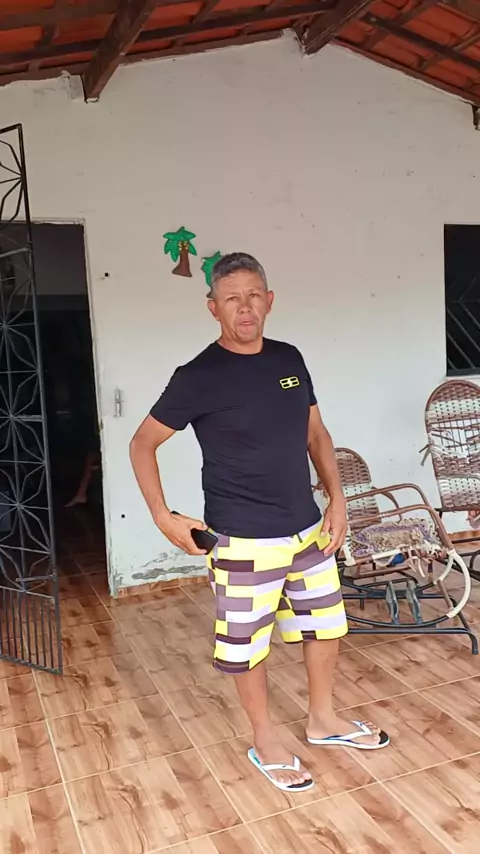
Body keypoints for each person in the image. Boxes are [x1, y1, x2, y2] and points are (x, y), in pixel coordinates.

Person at [130, 252, 389, 793]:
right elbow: (142, 444)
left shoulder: (289, 358)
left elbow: (316, 434)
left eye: (253, 296)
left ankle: (323, 721)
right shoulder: (197, 377)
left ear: (269, 301)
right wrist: (162, 515)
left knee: (326, 628)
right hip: (242, 537)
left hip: (308, 529)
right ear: (213, 308)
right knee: (246, 646)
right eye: (232, 298)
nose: (244, 307)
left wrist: (337, 498)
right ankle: (265, 738)